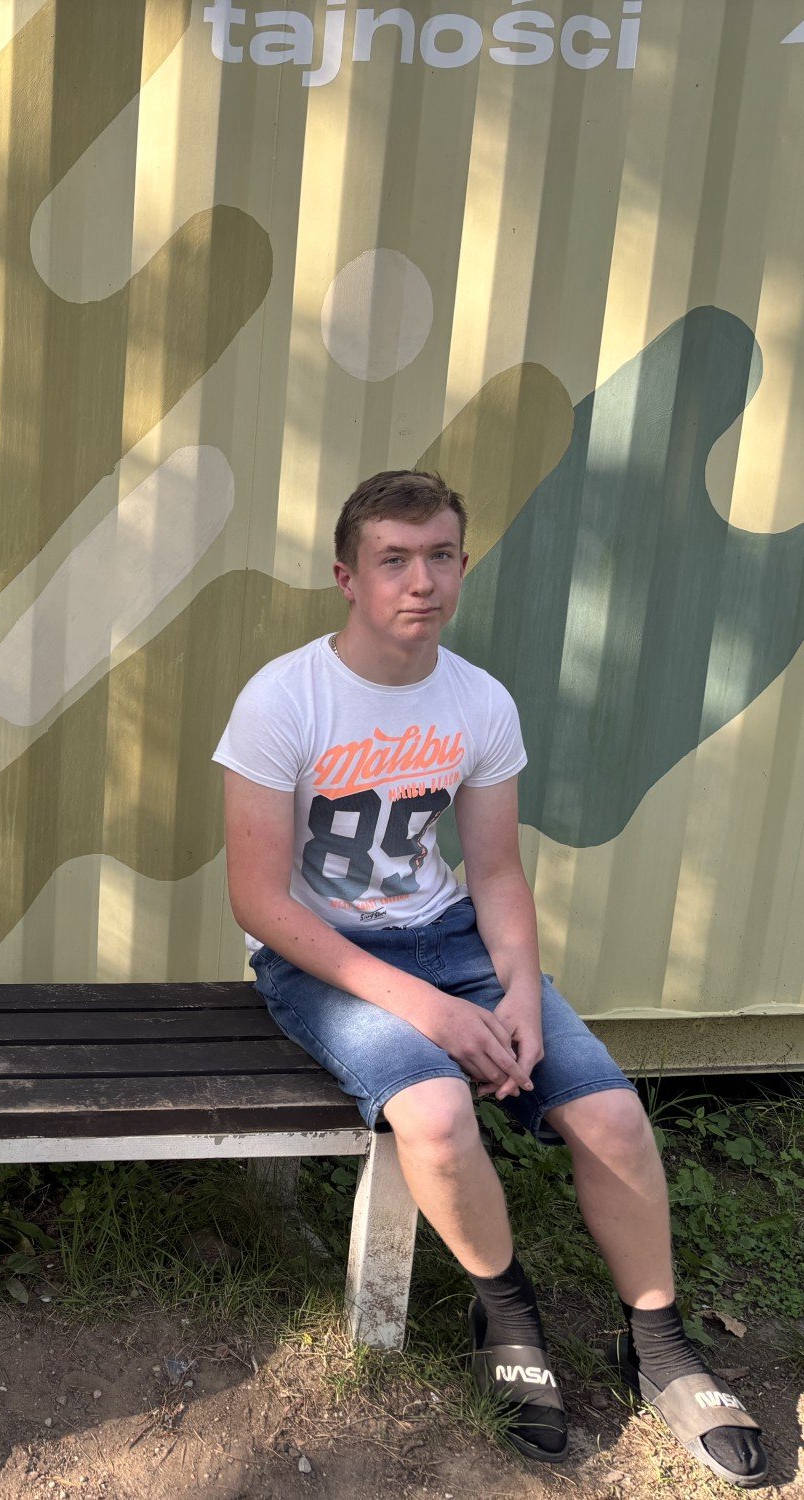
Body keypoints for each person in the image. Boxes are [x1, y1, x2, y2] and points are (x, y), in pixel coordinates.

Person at [215, 471, 766, 1486]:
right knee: (432, 1113)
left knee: (611, 1115)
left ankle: (657, 1344)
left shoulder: (477, 701)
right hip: (321, 958)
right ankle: (506, 1314)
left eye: (438, 557)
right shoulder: (281, 699)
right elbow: (259, 900)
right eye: (392, 559)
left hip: (452, 939)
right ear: (346, 576)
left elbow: (497, 871)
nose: (419, 581)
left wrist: (516, 993)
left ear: (461, 566)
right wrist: (431, 1013)